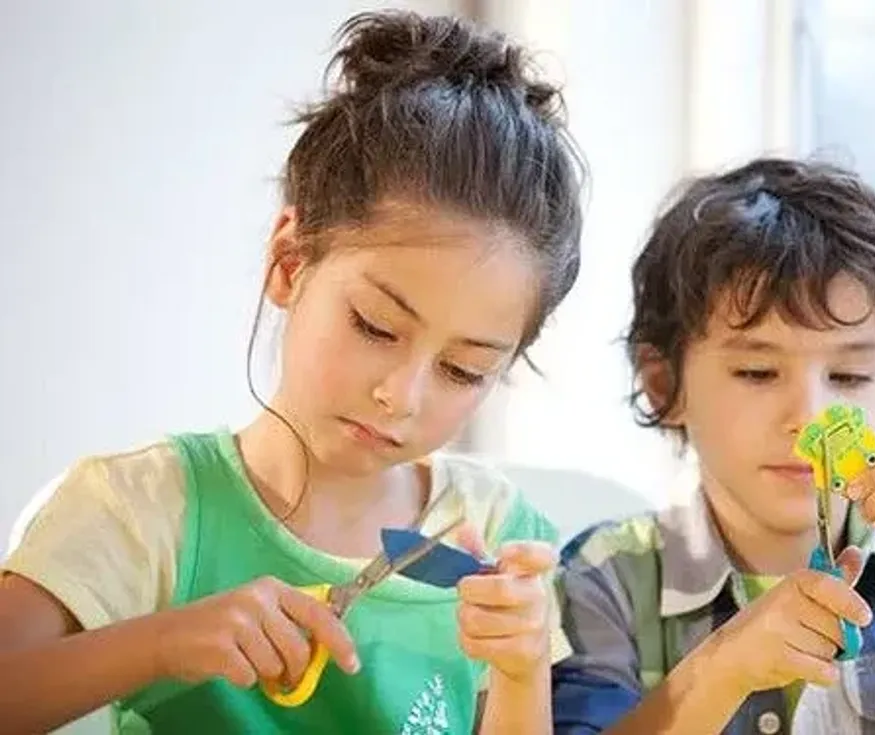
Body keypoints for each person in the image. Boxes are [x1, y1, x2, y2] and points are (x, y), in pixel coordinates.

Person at [0, 10, 585, 734]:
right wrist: (161, 643)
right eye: (375, 326)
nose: (399, 396)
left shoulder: (496, 535)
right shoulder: (142, 512)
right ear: (289, 261)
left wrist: (522, 669)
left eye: (463, 370)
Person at [551, 158, 875, 733]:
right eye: (757, 372)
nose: (808, 419)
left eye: (849, 379)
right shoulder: (606, 579)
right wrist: (721, 672)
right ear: (663, 385)